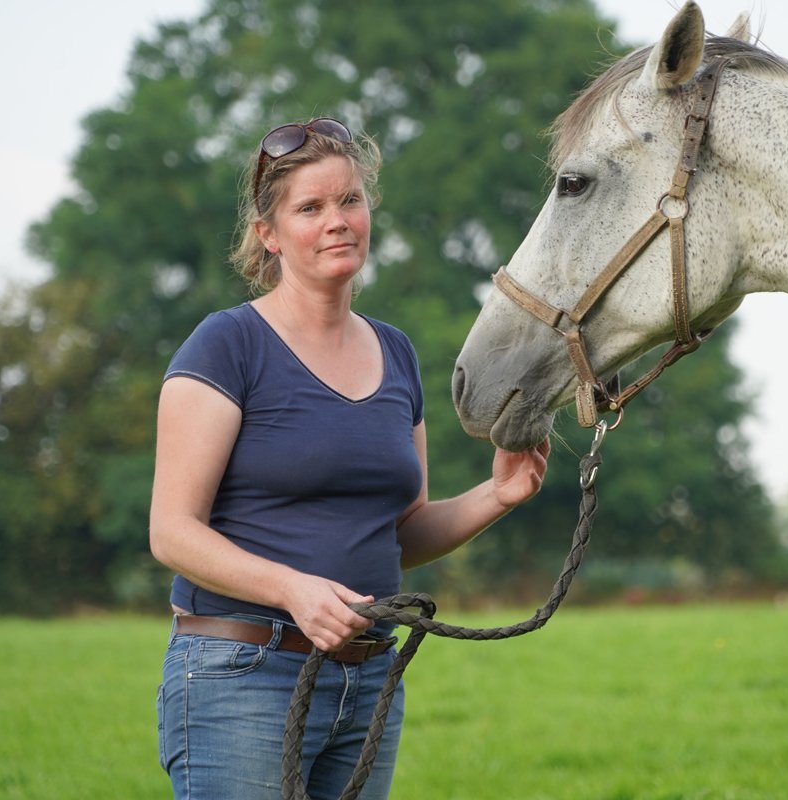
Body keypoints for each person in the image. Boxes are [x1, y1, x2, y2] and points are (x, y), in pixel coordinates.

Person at [149, 117, 550, 800]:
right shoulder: (226, 345)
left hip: (367, 681)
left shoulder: (396, 352)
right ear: (269, 235)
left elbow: (401, 531)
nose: (336, 220)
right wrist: (293, 589)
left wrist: (496, 495)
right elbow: (172, 532)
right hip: (243, 674)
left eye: (349, 200)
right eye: (310, 207)